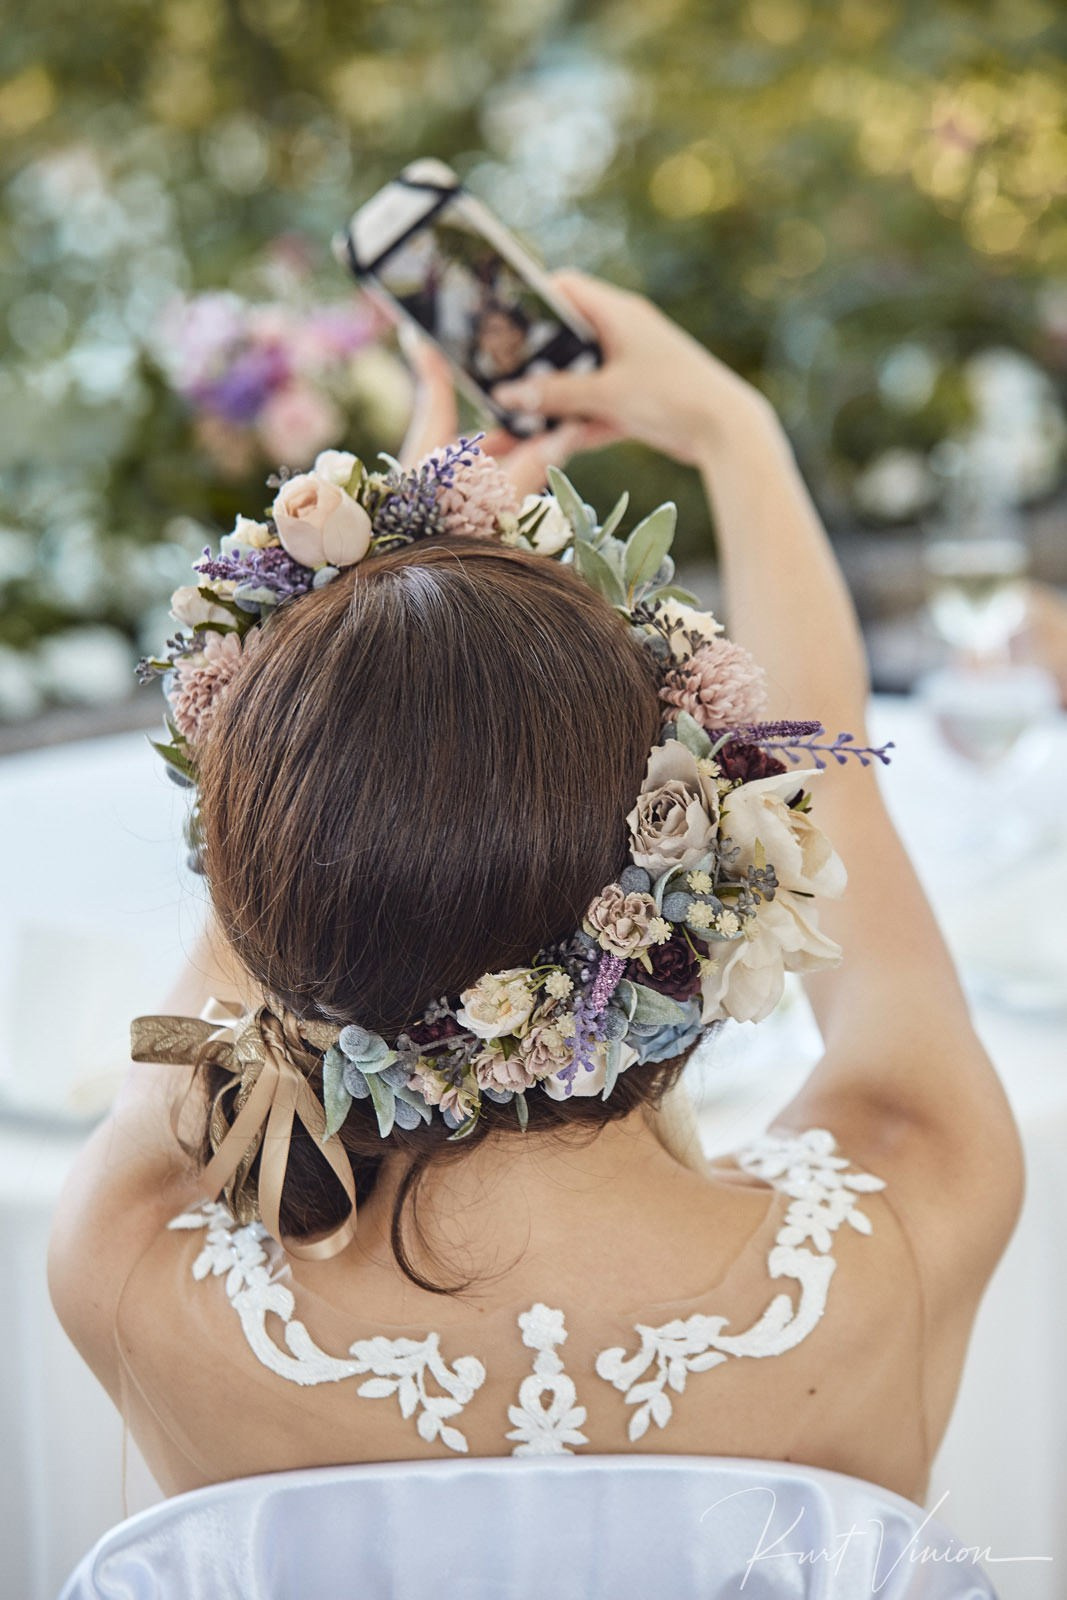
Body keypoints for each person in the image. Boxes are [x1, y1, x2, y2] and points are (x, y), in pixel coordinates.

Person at [48, 271, 1022, 1510]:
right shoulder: (919, 1209)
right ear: (701, 857)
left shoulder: (123, 1264)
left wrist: (359, 657)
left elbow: (246, 927)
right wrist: (731, 432)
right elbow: (837, 778)